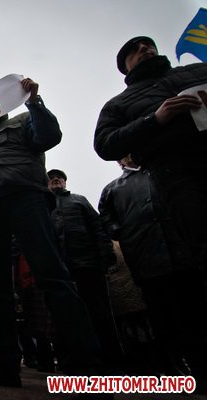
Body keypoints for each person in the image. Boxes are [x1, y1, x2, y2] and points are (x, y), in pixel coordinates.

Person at [0, 78, 102, 387]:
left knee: (52, 275)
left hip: (26, 199)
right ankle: (1, 364)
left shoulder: (23, 119)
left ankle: (86, 368)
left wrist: (34, 102)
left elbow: (49, 136)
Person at [94, 36, 207, 270]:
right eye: (134, 49)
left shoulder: (198, 70)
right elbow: (105, 144)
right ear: (125, 66)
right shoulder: (118, 104)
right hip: (180, 178)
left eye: (148, 44)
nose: (144, 48)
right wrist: (154, 119)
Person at [99, 155, 207, 381]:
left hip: (181, 254)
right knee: (162, 317)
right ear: (119, 161)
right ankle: (174, 368)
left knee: (193, 312)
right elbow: (107, 221)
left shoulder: (162, 173)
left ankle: (200, 367)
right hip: (146, 259)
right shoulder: (111, 190)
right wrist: (124, 233)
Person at [47, 168, 123, 372]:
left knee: (99, 314)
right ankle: (71, 362)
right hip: (60, 271)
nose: (56, 179)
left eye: (59, 177)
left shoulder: (79, 201)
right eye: (51, 178)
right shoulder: (44, 207)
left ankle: (111, 361)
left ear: (65, 182)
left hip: (88, 266)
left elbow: (98, 228)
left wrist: (106, 254)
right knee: (64, 317)